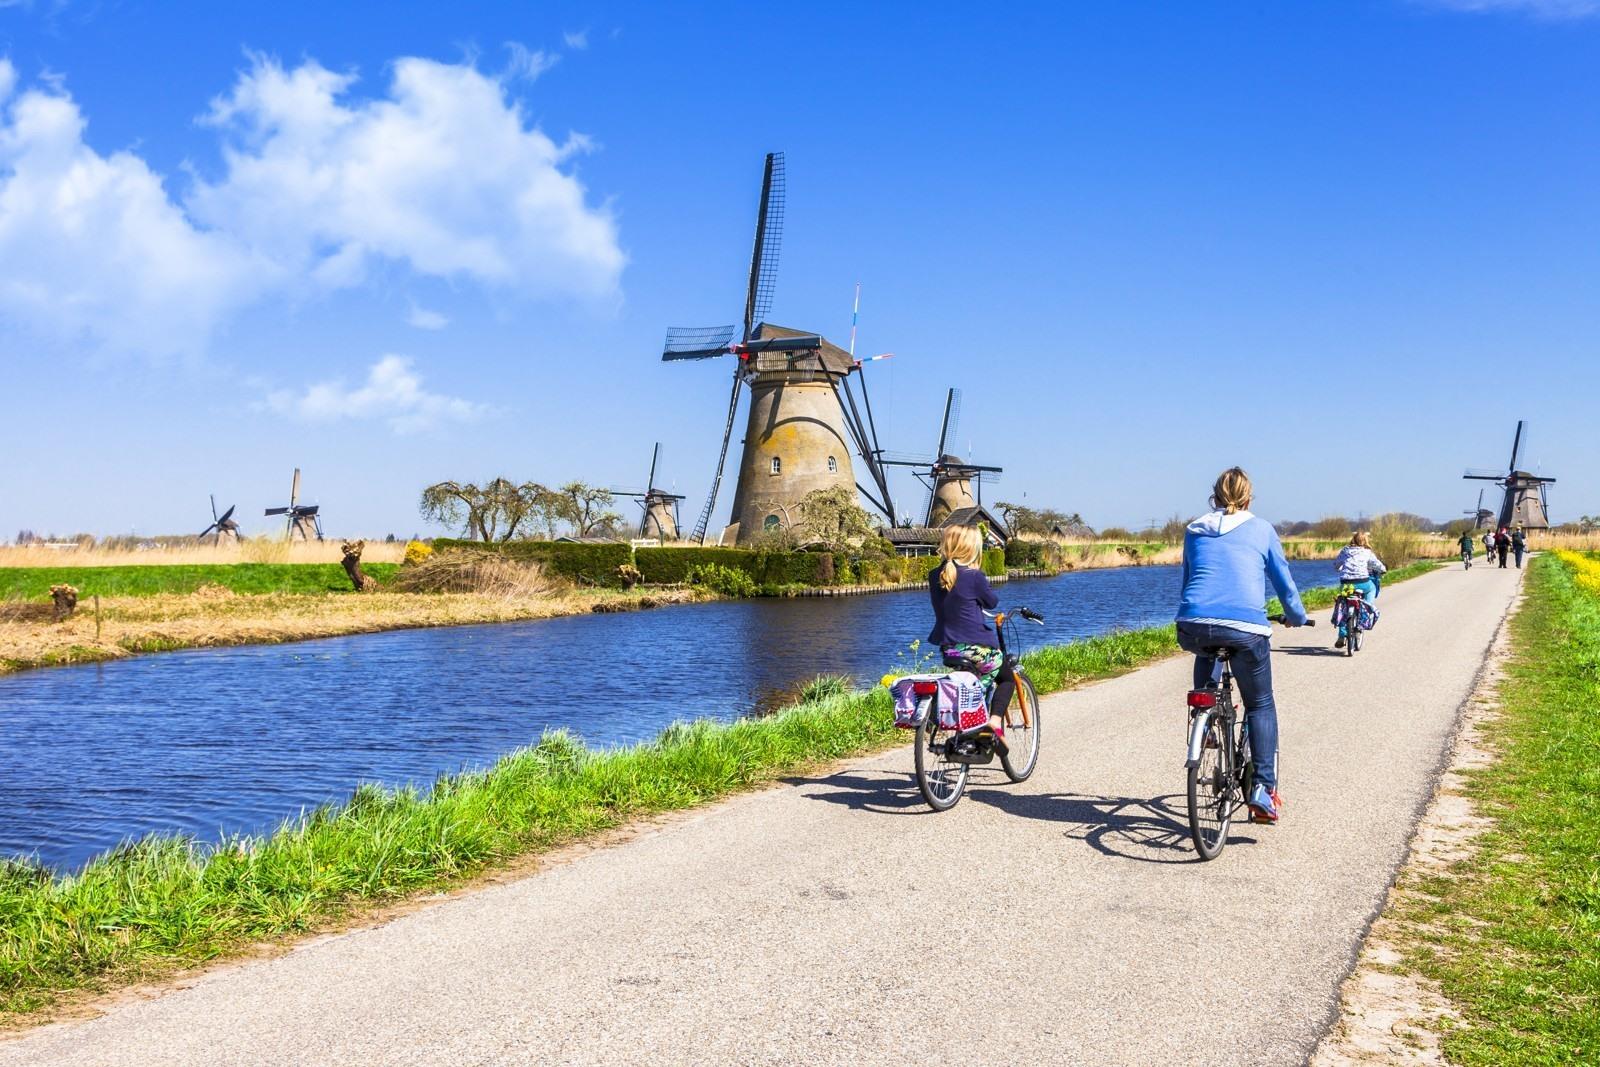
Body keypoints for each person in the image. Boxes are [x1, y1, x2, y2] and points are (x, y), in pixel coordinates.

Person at [1176, 467, 1307, 825]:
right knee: (1260, 704)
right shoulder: (1261, 529)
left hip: (1192, 622)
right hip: (1245, 629)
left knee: (1206, 645)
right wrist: (1296, 615)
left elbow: (1188, 578)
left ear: (1214, 497)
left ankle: (1203, 719)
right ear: (1249, 497)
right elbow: (1283, 581)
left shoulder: (1193, 529)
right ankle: (1263, 792)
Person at [927, 524, 1012, 753]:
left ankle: (961, 718)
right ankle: (992, 722)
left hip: (948, 649)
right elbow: (992, 602)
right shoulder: (974, 576)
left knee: (971, 682)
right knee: (1006, 678)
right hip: (976, 649)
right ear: (971, 548)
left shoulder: (934, 575)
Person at [1332, 531, 1388, 648]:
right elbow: (1377, 564)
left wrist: (1341, 567)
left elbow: (1336, 565)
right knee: (1371, 588)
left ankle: (1342, 636)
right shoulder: (1367, 552)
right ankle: (1366, 609)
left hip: (1346, 583)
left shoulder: (1345, 551)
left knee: (1344, 605)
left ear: (1353, 539)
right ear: (1365, 541)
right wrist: (1383, 569)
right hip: (1362, 582)